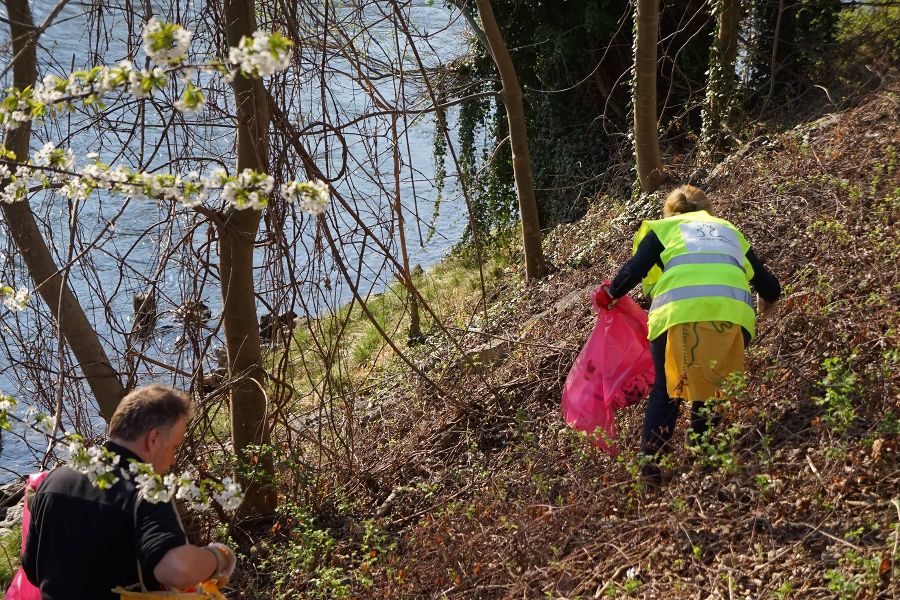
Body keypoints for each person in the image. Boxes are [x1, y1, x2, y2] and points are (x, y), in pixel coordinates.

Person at [595, 185, 781, 485]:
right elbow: (769, 284)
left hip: (676, 314)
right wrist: (766, 300)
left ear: (671, 211)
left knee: (668, 389)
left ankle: (650, 474)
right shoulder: (728, 231)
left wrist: (610, 293)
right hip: (731, 316)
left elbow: (636, 268)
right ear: (708, 208)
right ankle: (703, 463)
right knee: (711, 387)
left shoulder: (665, 228)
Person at [23, 384, 237, 599]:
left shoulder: (54, 480)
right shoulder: (144, 490)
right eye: (174, 446)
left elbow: (33, 570)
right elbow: (177, 569)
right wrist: (219, 556)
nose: (172, 460)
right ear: (153, 439)